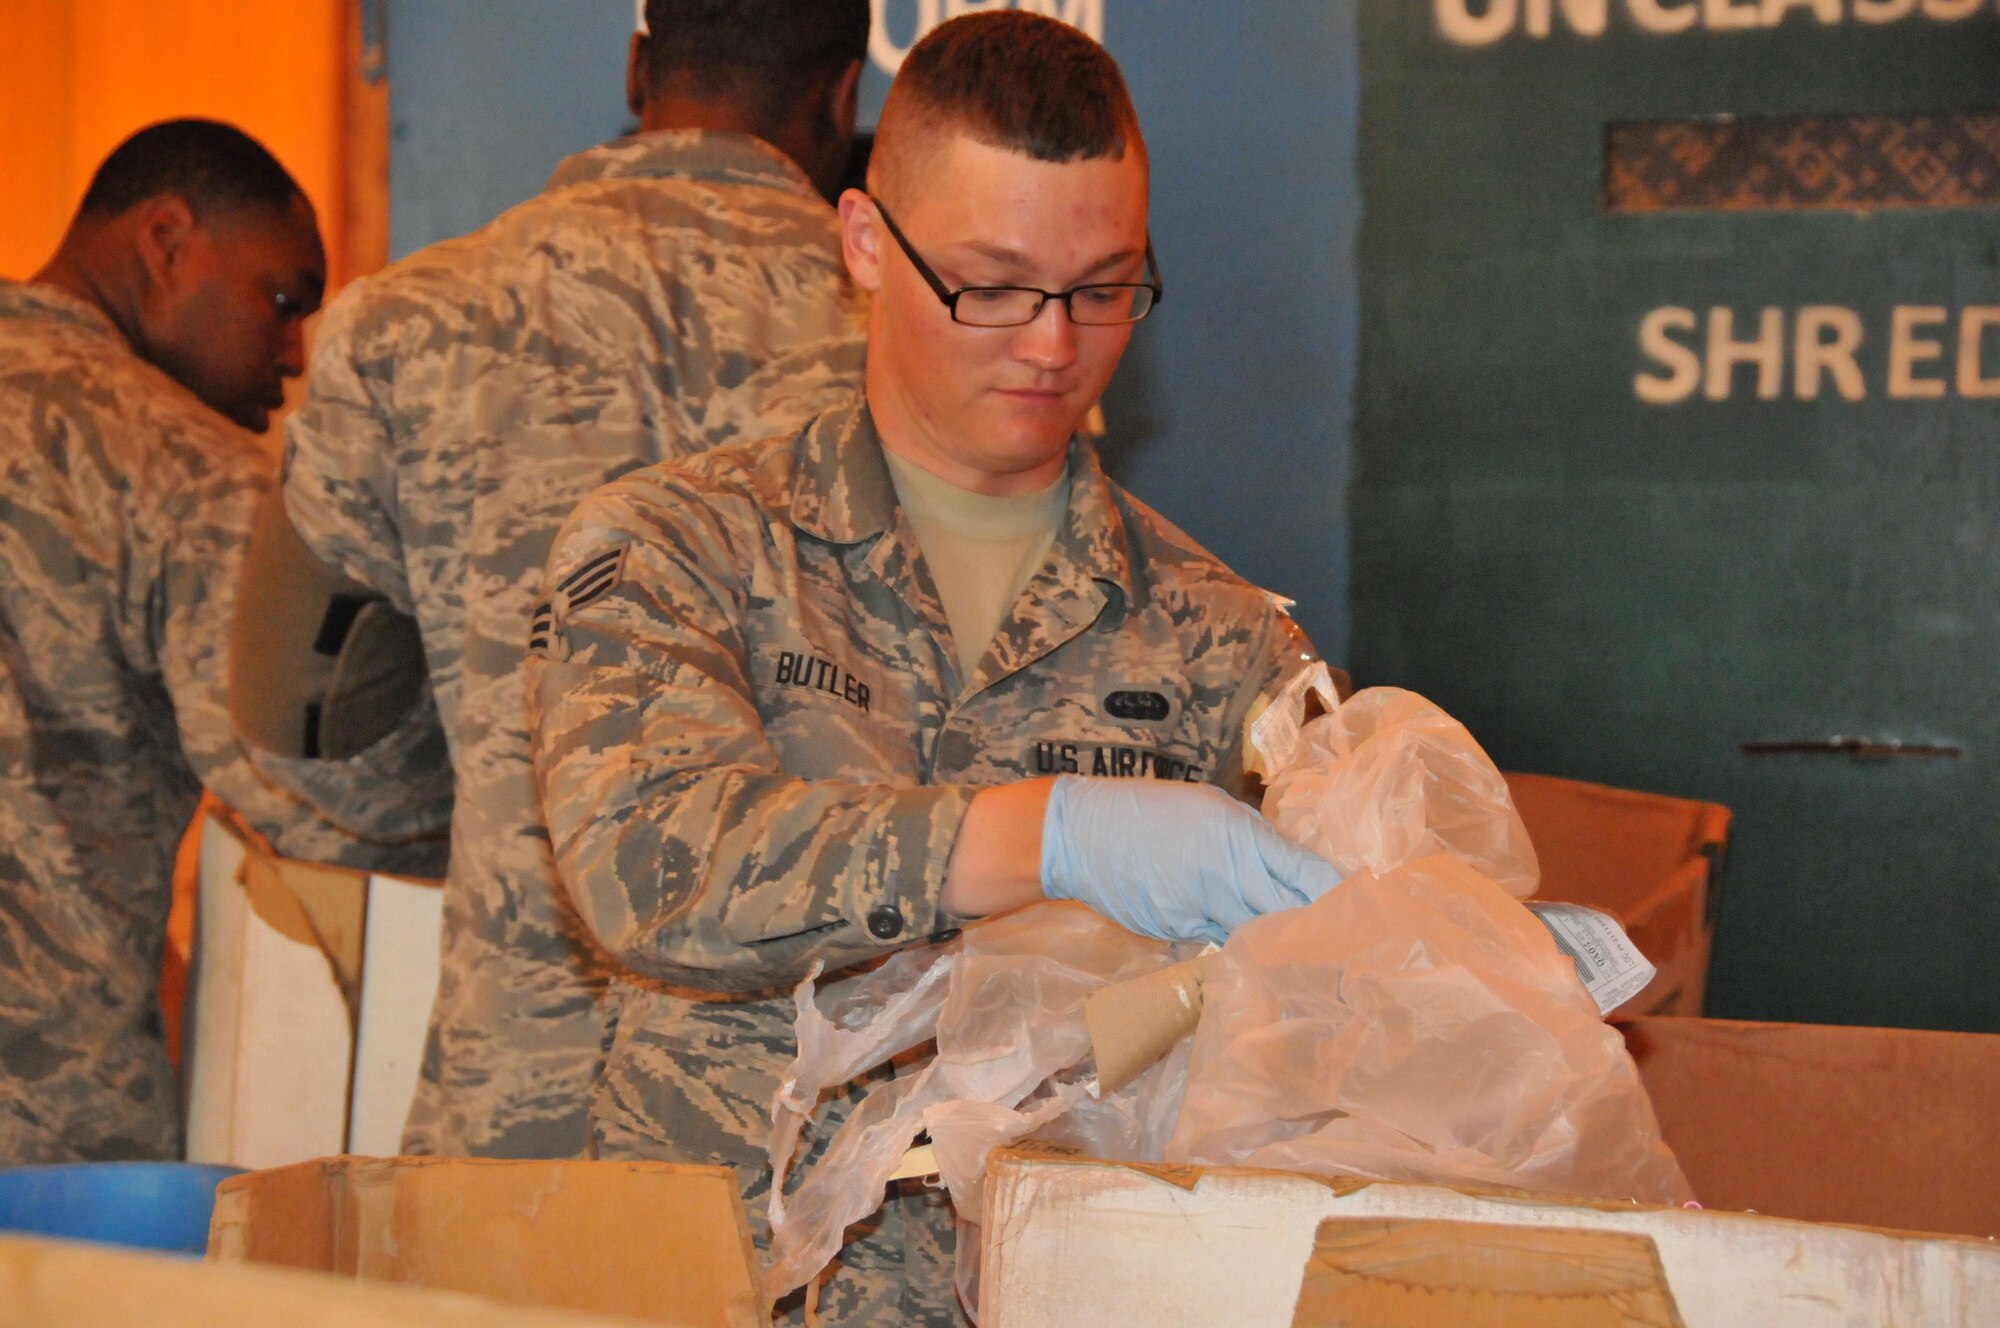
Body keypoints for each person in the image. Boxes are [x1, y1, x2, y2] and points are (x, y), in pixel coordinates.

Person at [527, 13, 1343, 1322]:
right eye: (994, 284)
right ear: (864, 243)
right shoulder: (684, 547)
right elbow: (646, 867)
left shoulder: (1227, 644)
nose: (1051, 346)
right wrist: (1053, 837)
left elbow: (1313, 1045)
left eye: (1103, 288)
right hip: (716, 1290)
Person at [245, 0, 871, 1160]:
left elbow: (294, 739)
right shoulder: (927, 348)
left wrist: (504, 802)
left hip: (517, 1106)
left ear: (639, 69)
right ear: (842, 99)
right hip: (822, 1151)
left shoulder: (400, 327)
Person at [0, 119, 433, 1163]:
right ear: (165, 240)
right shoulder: (178, 470)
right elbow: (320, 793)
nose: (294, 353)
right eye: (282, 300)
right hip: (39, 1119)